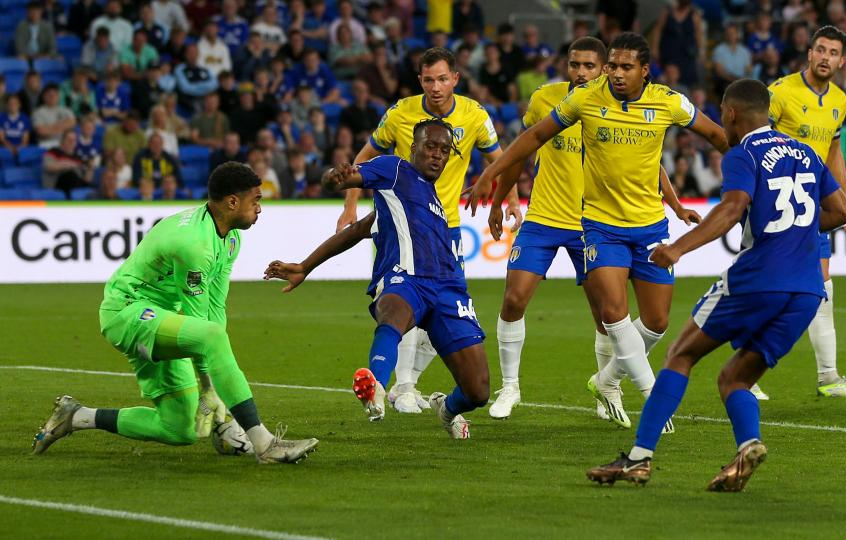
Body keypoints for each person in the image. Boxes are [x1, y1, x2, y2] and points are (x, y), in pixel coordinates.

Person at [585, 78, 846, 491]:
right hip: (807, 290)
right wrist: (794, 231)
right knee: (735, 378)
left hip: (758, 278)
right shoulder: (805, 152)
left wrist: (678, 248)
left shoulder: (742, 153)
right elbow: (841, 212)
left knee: (680, 354)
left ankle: (638, 459)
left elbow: (731, 208)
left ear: (730, 113)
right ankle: (748, 445)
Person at [468, 33, 729, 428]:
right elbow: (534, 139)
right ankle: (646, 390)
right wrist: (492, 174)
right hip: (594, 225)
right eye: (612, 67)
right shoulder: (579, 99)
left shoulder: (669, 102)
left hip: (647, 226)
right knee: (607, 312)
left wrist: (753, 165)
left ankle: (606, 381)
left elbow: (707, 137)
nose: (615, 74)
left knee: (656, 322)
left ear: (645, 70)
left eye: (624, 67)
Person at [32, 162, 319, 464]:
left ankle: (76, 416)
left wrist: (212, 392)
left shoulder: (231, 238)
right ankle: (264, 443)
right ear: (233, 202)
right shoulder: (193, 244)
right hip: (127, 313)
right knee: (208, 338)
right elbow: (202, 327)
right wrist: (209, 389)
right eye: (256, 200)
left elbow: (214, 309)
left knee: (178, 428)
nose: (260, 208)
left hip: (163, 319)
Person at [265, 120, 488, 438]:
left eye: (444, 150)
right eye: (430, 147)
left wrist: (305, 266)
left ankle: (447, 409)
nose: (438, 155)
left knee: (478, 392)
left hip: (450, 288)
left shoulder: (433, 200)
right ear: (414, 148)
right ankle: (376, 389)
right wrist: (334, 180)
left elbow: (360, 229)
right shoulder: (394, 169)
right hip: (406, 279)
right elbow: (343, 179)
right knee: (393, 311)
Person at [336, 47, 520, 414]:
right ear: (420, 81)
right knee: (406, 304)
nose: (435, 87)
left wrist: (509, 199)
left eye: (442, 79)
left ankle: (405, 385)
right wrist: (351, 205)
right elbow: (363, 159)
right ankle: (401, 386)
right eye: (428, 80)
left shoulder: (475, 115)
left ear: (455, 79)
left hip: (447, 227)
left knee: (441, 312)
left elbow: (502, 162)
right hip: (404, 224)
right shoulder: (401, 114)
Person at [765, 25, 846, 398]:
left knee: (822, 291)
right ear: (809, 53)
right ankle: (746, 375)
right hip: (777, 207)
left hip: (813, 209)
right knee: (769, 292)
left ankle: (829, 377)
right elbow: (750, 140)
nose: (825, 58)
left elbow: (833, 152)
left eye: (832, 53)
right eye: (820, 50)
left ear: (842, 61)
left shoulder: (839, 100)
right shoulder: (779, 93)